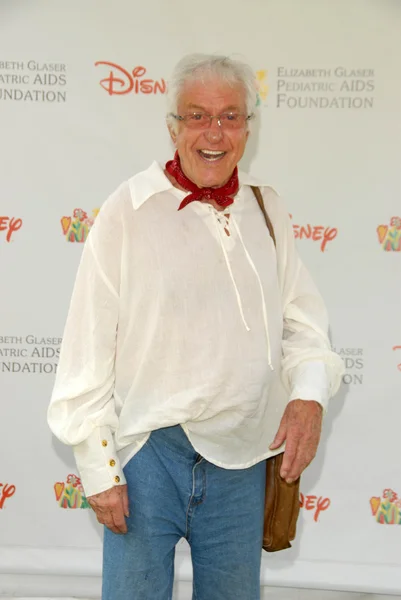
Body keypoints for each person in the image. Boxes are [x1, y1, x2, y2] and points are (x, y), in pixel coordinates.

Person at [48, 53, 344, 600]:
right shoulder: (127, 211)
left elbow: (303, 323)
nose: (215, 132)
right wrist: (97, 465)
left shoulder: (268, 208)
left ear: (249, 130)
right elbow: (86, 348)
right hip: (146, 458)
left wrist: (308, 395)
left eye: (230, 117)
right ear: (172, 127)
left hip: (243, 457)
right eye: (197, 116)